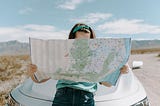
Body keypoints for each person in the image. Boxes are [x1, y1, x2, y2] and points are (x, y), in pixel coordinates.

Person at [28, 23, 129, 106]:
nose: (82, 45)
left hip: (86, 98)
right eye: (78, 42)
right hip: (62, 97)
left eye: (86, 42)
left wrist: (119, 71)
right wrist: (32, 73)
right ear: (71, 41)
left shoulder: (97, 58)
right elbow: (40, 80)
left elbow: (107, 83)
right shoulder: (62, 56)